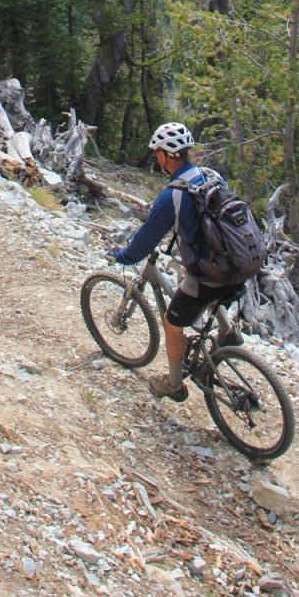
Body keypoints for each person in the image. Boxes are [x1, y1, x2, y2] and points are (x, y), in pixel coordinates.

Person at [111, 121, 242, 402]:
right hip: (237, 263)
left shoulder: (173, 194)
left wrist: (124, 256)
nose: (156, 156)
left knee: (172, 321)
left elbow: (146, 240)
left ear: (165, 156)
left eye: (157, 152)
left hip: (212, 274)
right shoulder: (212, 176)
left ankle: (173, 385)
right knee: (190, 274)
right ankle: (228, 330)